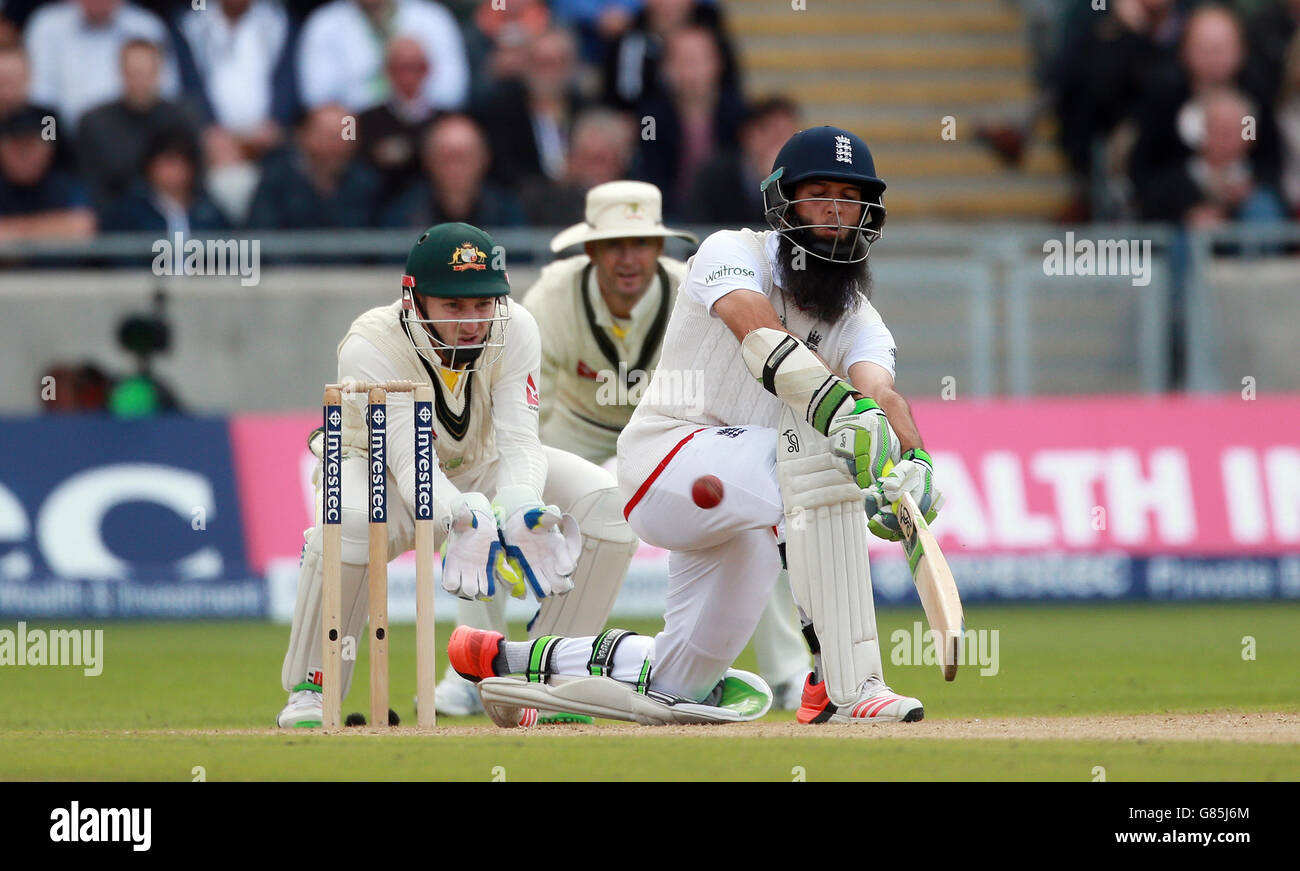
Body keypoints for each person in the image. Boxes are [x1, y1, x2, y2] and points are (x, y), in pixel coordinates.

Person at [447, 126, 945, 726]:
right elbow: (761, 336)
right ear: (782, 201)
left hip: (745, 505)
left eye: (850, 198)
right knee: (818, 452)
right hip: (666, 465)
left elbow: (880, 393)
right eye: (820, 194)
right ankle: (845, 685)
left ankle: (508, 659)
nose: (835, 212)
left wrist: (910, 461)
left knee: (679, 684)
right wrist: (846, 417)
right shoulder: (731, 252)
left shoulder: (859, 318)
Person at [277, 222, 635, 728]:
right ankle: (314, 692)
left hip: (479, 461)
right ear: (414, 300)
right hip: (375, 471)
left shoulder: (517, 326)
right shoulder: (368, 346)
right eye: (454, 306)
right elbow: (409, 460)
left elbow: (518, 441)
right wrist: (463, 517)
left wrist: (520, 508)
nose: (472, 322)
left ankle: (545, 681)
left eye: (482, 304)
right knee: (349, 526)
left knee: (608, 506)